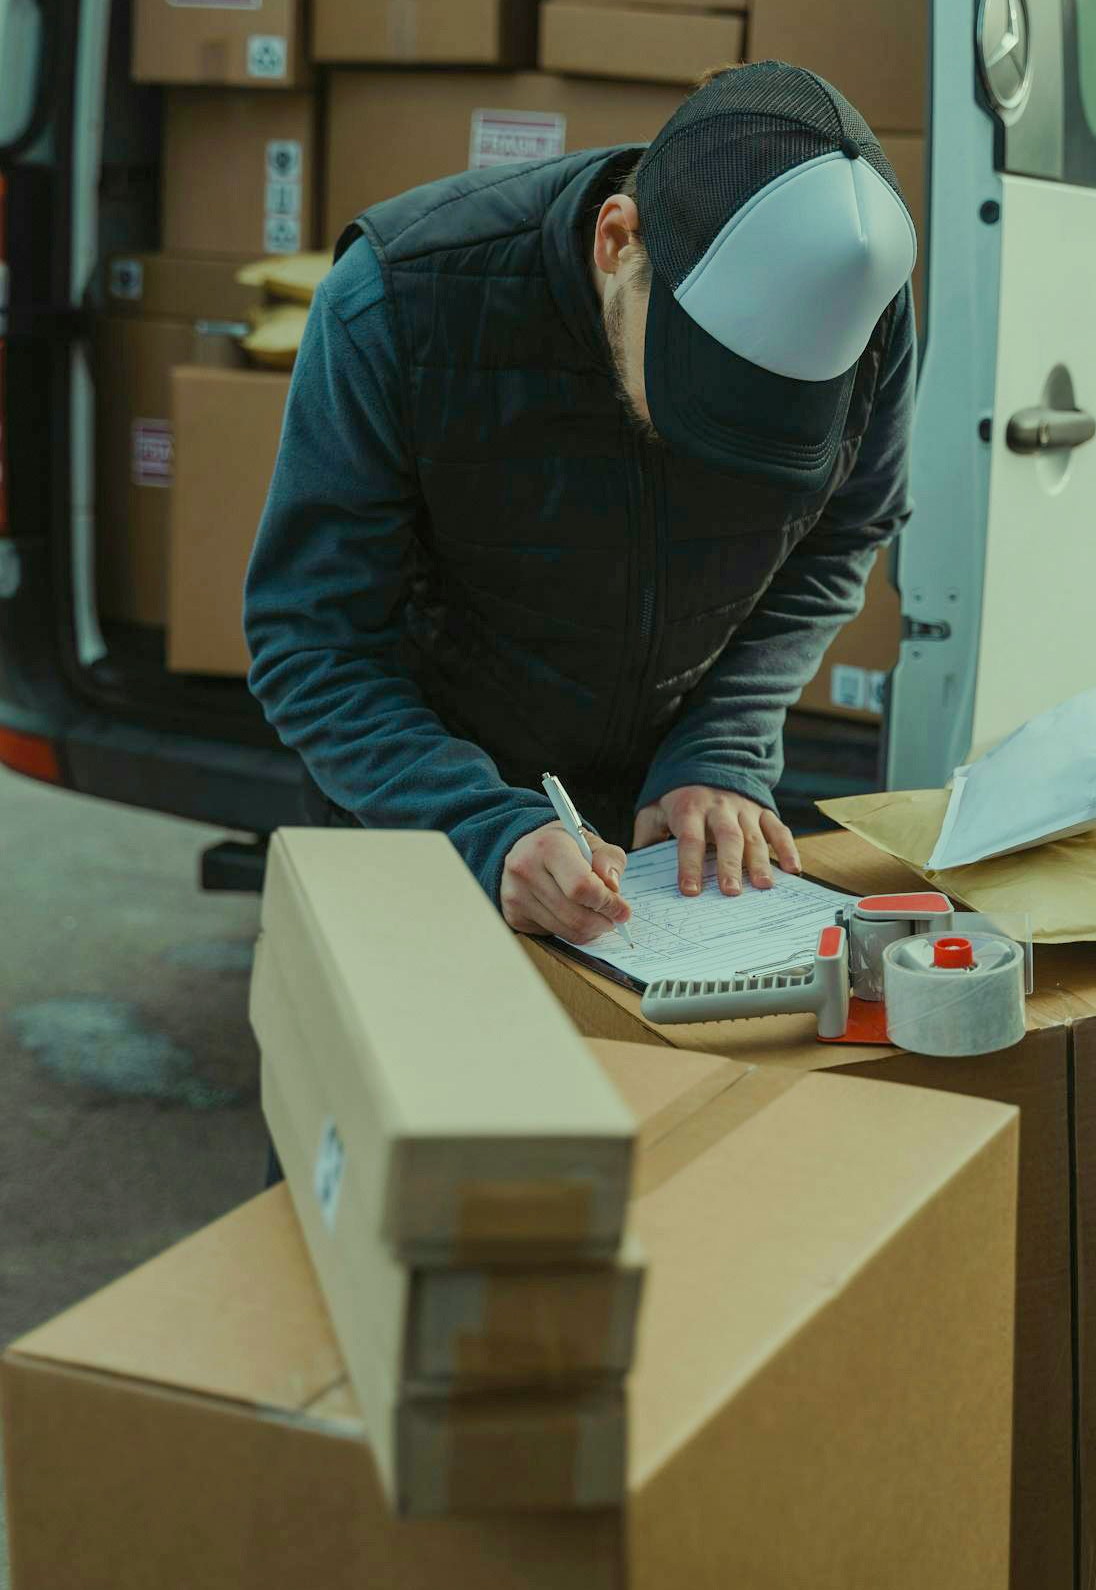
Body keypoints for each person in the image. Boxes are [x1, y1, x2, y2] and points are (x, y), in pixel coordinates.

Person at [243, 60, 917, 950]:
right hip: (425, 822)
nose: (710, 454)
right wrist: (482, 826)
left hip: (677, 845)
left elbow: (842, 533)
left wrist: (722, 749)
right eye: (699, 396)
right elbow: (311, 640)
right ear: (616, 242)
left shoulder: (857, 304)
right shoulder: (398, 302)